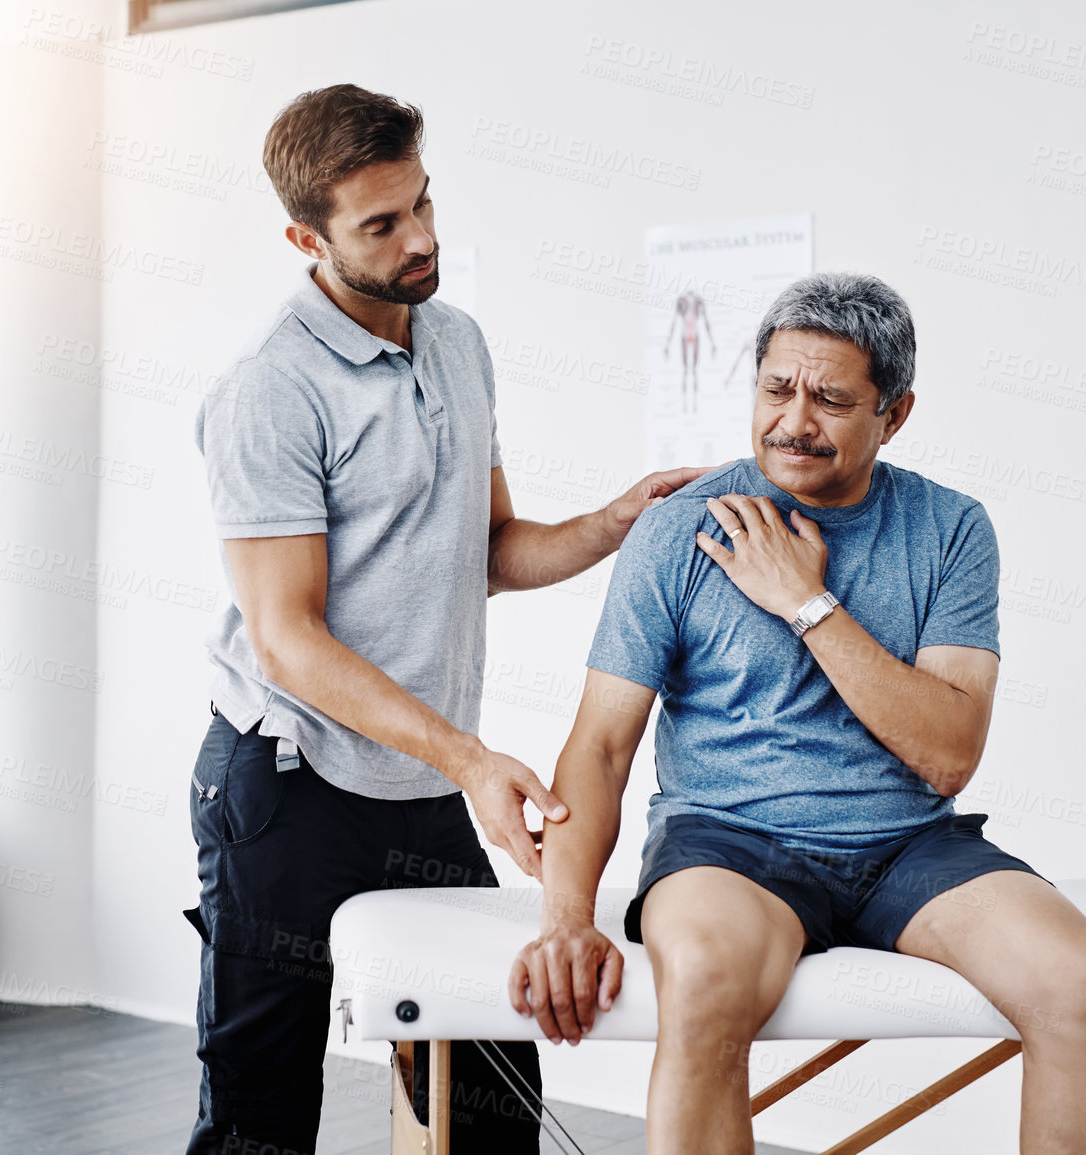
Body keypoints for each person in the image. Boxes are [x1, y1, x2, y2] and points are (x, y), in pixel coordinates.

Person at [186, 83, 709, 1155]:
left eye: (422, 202)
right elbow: (289, 638)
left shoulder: (456, 343)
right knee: (261, 1122)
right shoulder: (270, 391)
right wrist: (471, 760)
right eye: (381, 224)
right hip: (287, 788)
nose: (420, 238)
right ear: (306, 236)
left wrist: (612, 522)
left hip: (418, 783)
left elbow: (488, 552)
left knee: (487, 1107)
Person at [508, 272, 1086, 1154]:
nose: (794, 421)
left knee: (1081, 978)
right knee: (703, 980)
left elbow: (950, 754)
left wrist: (808, 604)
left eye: (833, 399)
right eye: (776, 389)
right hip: (729, 842)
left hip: (909, 847)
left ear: (895, 413)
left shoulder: (951, 529)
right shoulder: (678, 529)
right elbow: (603, 747)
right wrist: (567, 915)